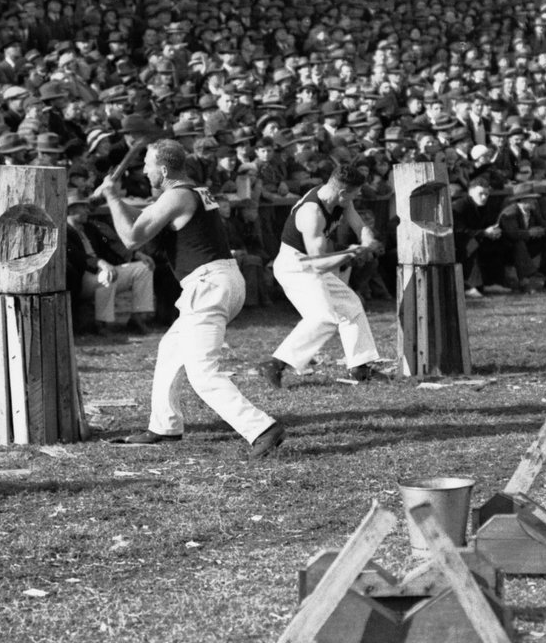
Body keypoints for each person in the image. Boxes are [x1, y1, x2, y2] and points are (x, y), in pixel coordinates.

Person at [97, 138, 283, 455]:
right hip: (220, 279)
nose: (144, 171)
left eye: (148, 165)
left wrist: (113, 199)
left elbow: (132, 238)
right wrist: (116, 202)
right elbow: (147, 215)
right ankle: (164, 426)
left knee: (203, 373)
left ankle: (262, 428)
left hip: (208, 285)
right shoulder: (191, 191)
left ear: (164, 169)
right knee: (171, 350)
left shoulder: (177, 196)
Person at [262, 157, 381, 386]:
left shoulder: (339, 198)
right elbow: (317, 264)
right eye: (355, 194)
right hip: (295, 266)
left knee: (351, 306)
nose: (356, 198)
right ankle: (275, 363)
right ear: (343, 191)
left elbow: (360, 226)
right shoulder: (312, 212)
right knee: (323, 318)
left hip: (311, 262)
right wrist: (350, 253)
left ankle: (360, 367)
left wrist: (367, 241)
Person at [65, 194, 155, 336]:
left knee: (143, 268)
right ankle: (102, 323)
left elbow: (112, 246)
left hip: (102, 272)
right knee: (108, 275)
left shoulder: (90, 228)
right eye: (83, 208)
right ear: (70, 211)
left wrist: (136, 254)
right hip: (83, 277)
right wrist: (100, 263)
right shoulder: (64, 231)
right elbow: (75, 255)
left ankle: (137, 317)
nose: (87, 211)